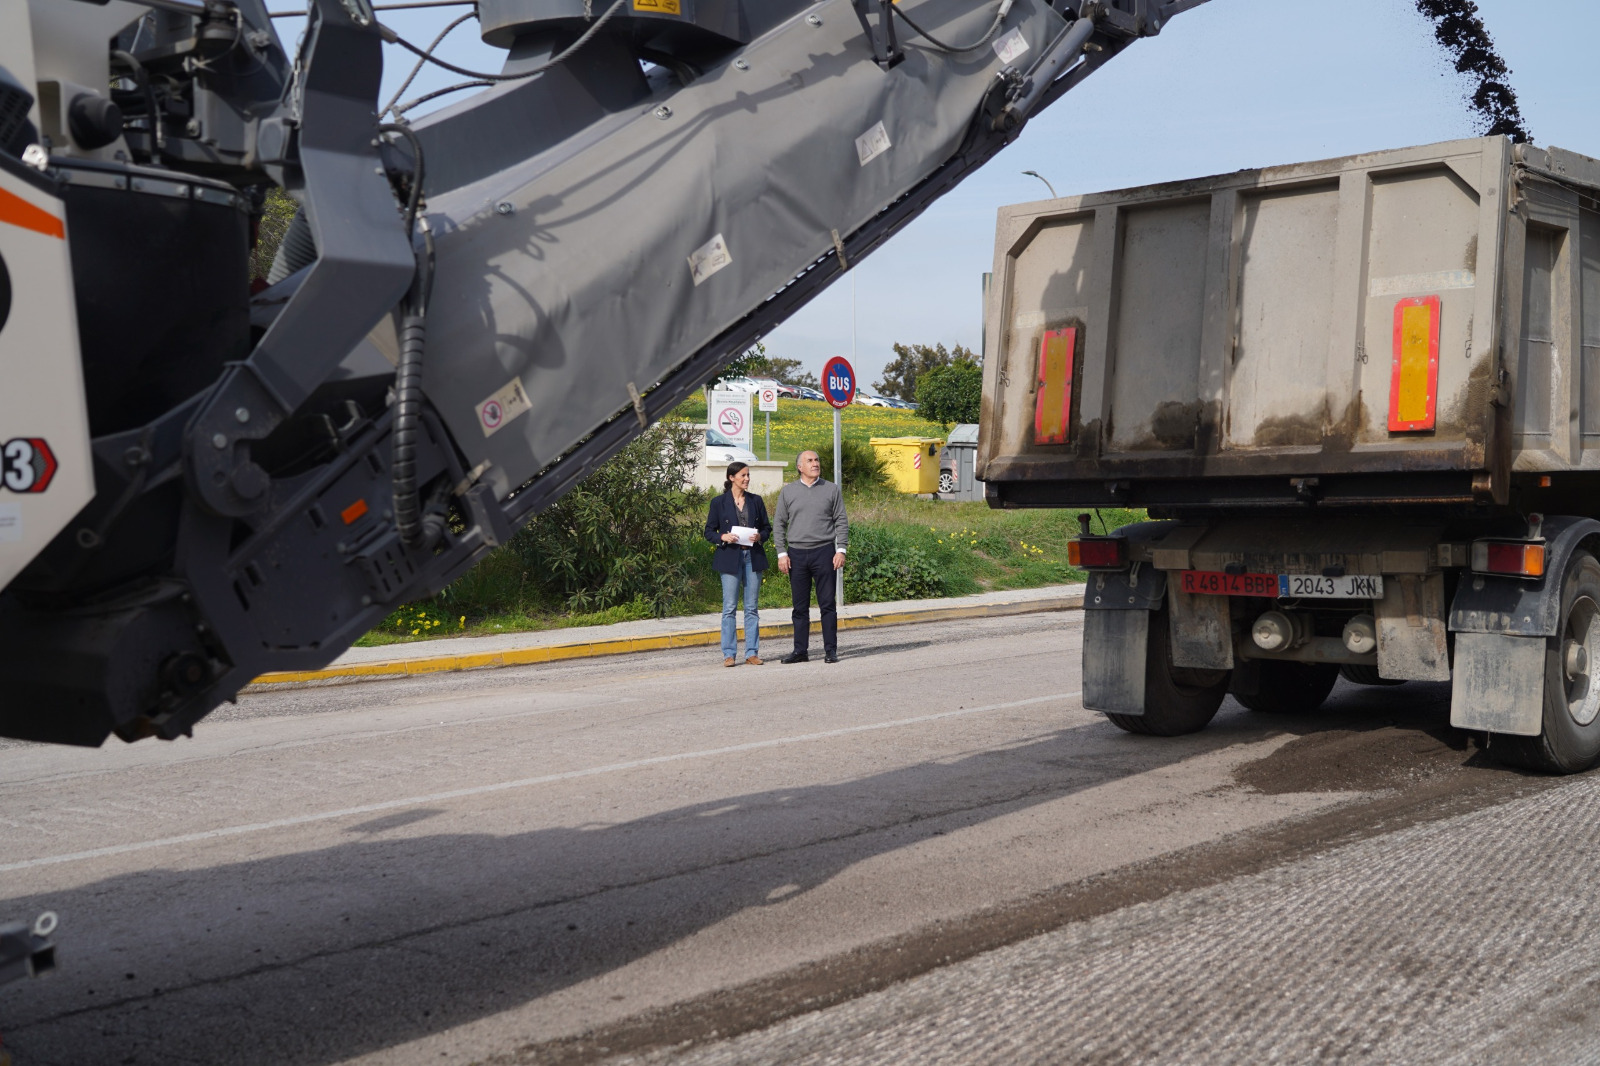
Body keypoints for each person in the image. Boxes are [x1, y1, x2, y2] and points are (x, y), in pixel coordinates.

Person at [773, 449, 848, 663]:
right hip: (796, 554)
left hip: (824, 552)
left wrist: (840, 549)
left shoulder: (831, 490)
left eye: (816, 460)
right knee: (799, 606)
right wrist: (781, 553)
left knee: (827, 604)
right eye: (810, 461)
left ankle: (830, 650)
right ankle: (800, 651)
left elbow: (841, 521)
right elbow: (779, 524)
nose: (815, 464)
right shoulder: (788, 492)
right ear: (800, 467)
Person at [704, 461, 772, 667]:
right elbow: (708, 532)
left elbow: (767, 529)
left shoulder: (756, 501)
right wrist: (723, 537)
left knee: (751, 608)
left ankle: (752, 652)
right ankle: (729, 654)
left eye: (748, 475)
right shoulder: (718, 502)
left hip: (752, 557)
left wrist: (759, 535)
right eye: (743, 475)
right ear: (731, 477)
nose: (747, 479)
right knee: (729, 607)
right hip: (730, 557)